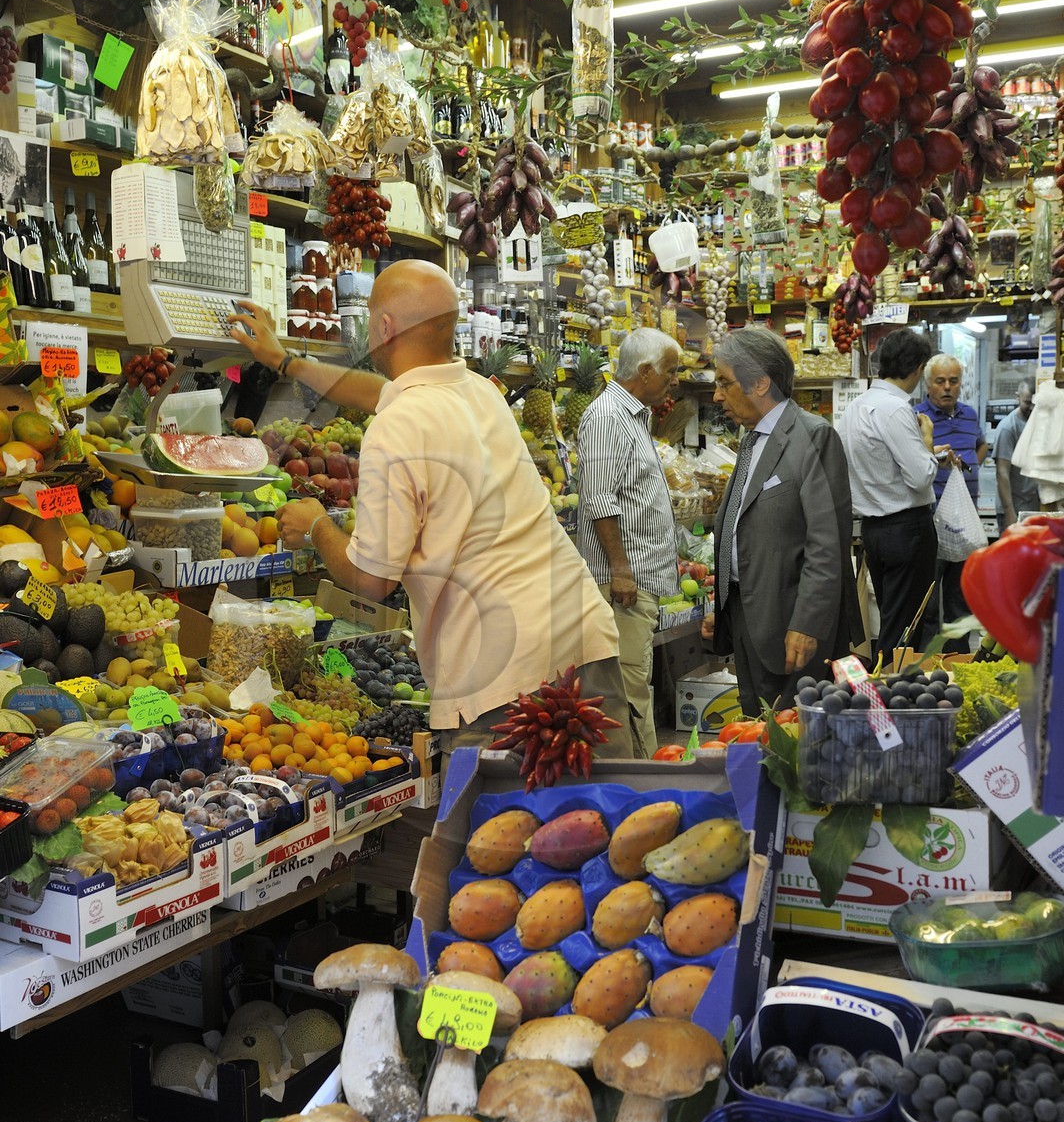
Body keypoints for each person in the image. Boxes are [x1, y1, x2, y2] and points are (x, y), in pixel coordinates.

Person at [228, 261, 632, 757]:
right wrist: (286, 362)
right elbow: (387, 394)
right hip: (581, 633)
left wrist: (316, 526)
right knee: (612, 812)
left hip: (503, 675)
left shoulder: (396, 429)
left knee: (510, 832)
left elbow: (373, 581)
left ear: (383, 327)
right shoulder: (480, 392)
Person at [701, 328, 860, 714]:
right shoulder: (751, 440)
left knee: (796, 740)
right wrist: (721, 602)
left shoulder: (813, 436)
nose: (717, 395)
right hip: (747, 618)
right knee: (757, 733)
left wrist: (808, 624)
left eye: (725, 383)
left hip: (791, 622)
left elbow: (827, 544)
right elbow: (743, 525)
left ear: (759, 382)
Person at [576, 327, 682, 758]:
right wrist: (620, 570)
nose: (675, 379)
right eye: (670, 371)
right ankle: (642, 781)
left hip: (637, 582)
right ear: (645, 370)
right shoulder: (606, 417)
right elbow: (599, 499)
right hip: (622, 585)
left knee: (632, 685)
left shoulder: (631, 416)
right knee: (628, 690)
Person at [836, 328, 953, 658]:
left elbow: (880, 465)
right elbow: (920, 478)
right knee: (905, 628)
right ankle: (889, 700)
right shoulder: (896, 409)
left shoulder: (856, 408)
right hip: (907, 529)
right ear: (917, 369)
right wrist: (927, 442)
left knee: (891, 620)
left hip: (874, 531)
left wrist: (927, 454)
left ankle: (885, 694)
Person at [914, 353, 988, 628]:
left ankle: (958, 662)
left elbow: (981, 445)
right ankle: (928, 664)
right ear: (928, 384)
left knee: (961, 600)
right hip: (933, 521)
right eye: (940, 381)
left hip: (966, 520)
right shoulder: (918, 418)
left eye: (953, 381)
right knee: (929, 603)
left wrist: (969, 468)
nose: (947, 387)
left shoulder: (969, 414)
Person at [995, 379, 1039, 530]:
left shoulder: (1039, 423)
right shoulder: (1008, 427)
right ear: (1017, 397)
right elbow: (1002, 473)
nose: (1032, 408)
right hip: (1013, 509)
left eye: (1036, 403)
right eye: (1027, 402)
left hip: (1033, 508)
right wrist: (1009, 513)